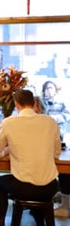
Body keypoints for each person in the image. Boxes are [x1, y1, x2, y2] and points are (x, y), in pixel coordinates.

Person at [0, 89, 61, 226]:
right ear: (34, 103)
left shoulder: (9, 123)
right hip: (50, 187)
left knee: (0, 183)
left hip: (24, 187)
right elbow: (56, 154)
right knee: (36, 179)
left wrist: (6, 151)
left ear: (16, 105)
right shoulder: (50, 122)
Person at [41, 80, 70, 218]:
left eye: (51, 88)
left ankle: (65, 203)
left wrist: (53, 119)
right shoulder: (41, 104)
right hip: (44, 142)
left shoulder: (61, 103)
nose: (49, 91)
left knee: (64, 167)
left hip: (60, 138)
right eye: (46, 89)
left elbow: (67, 116)